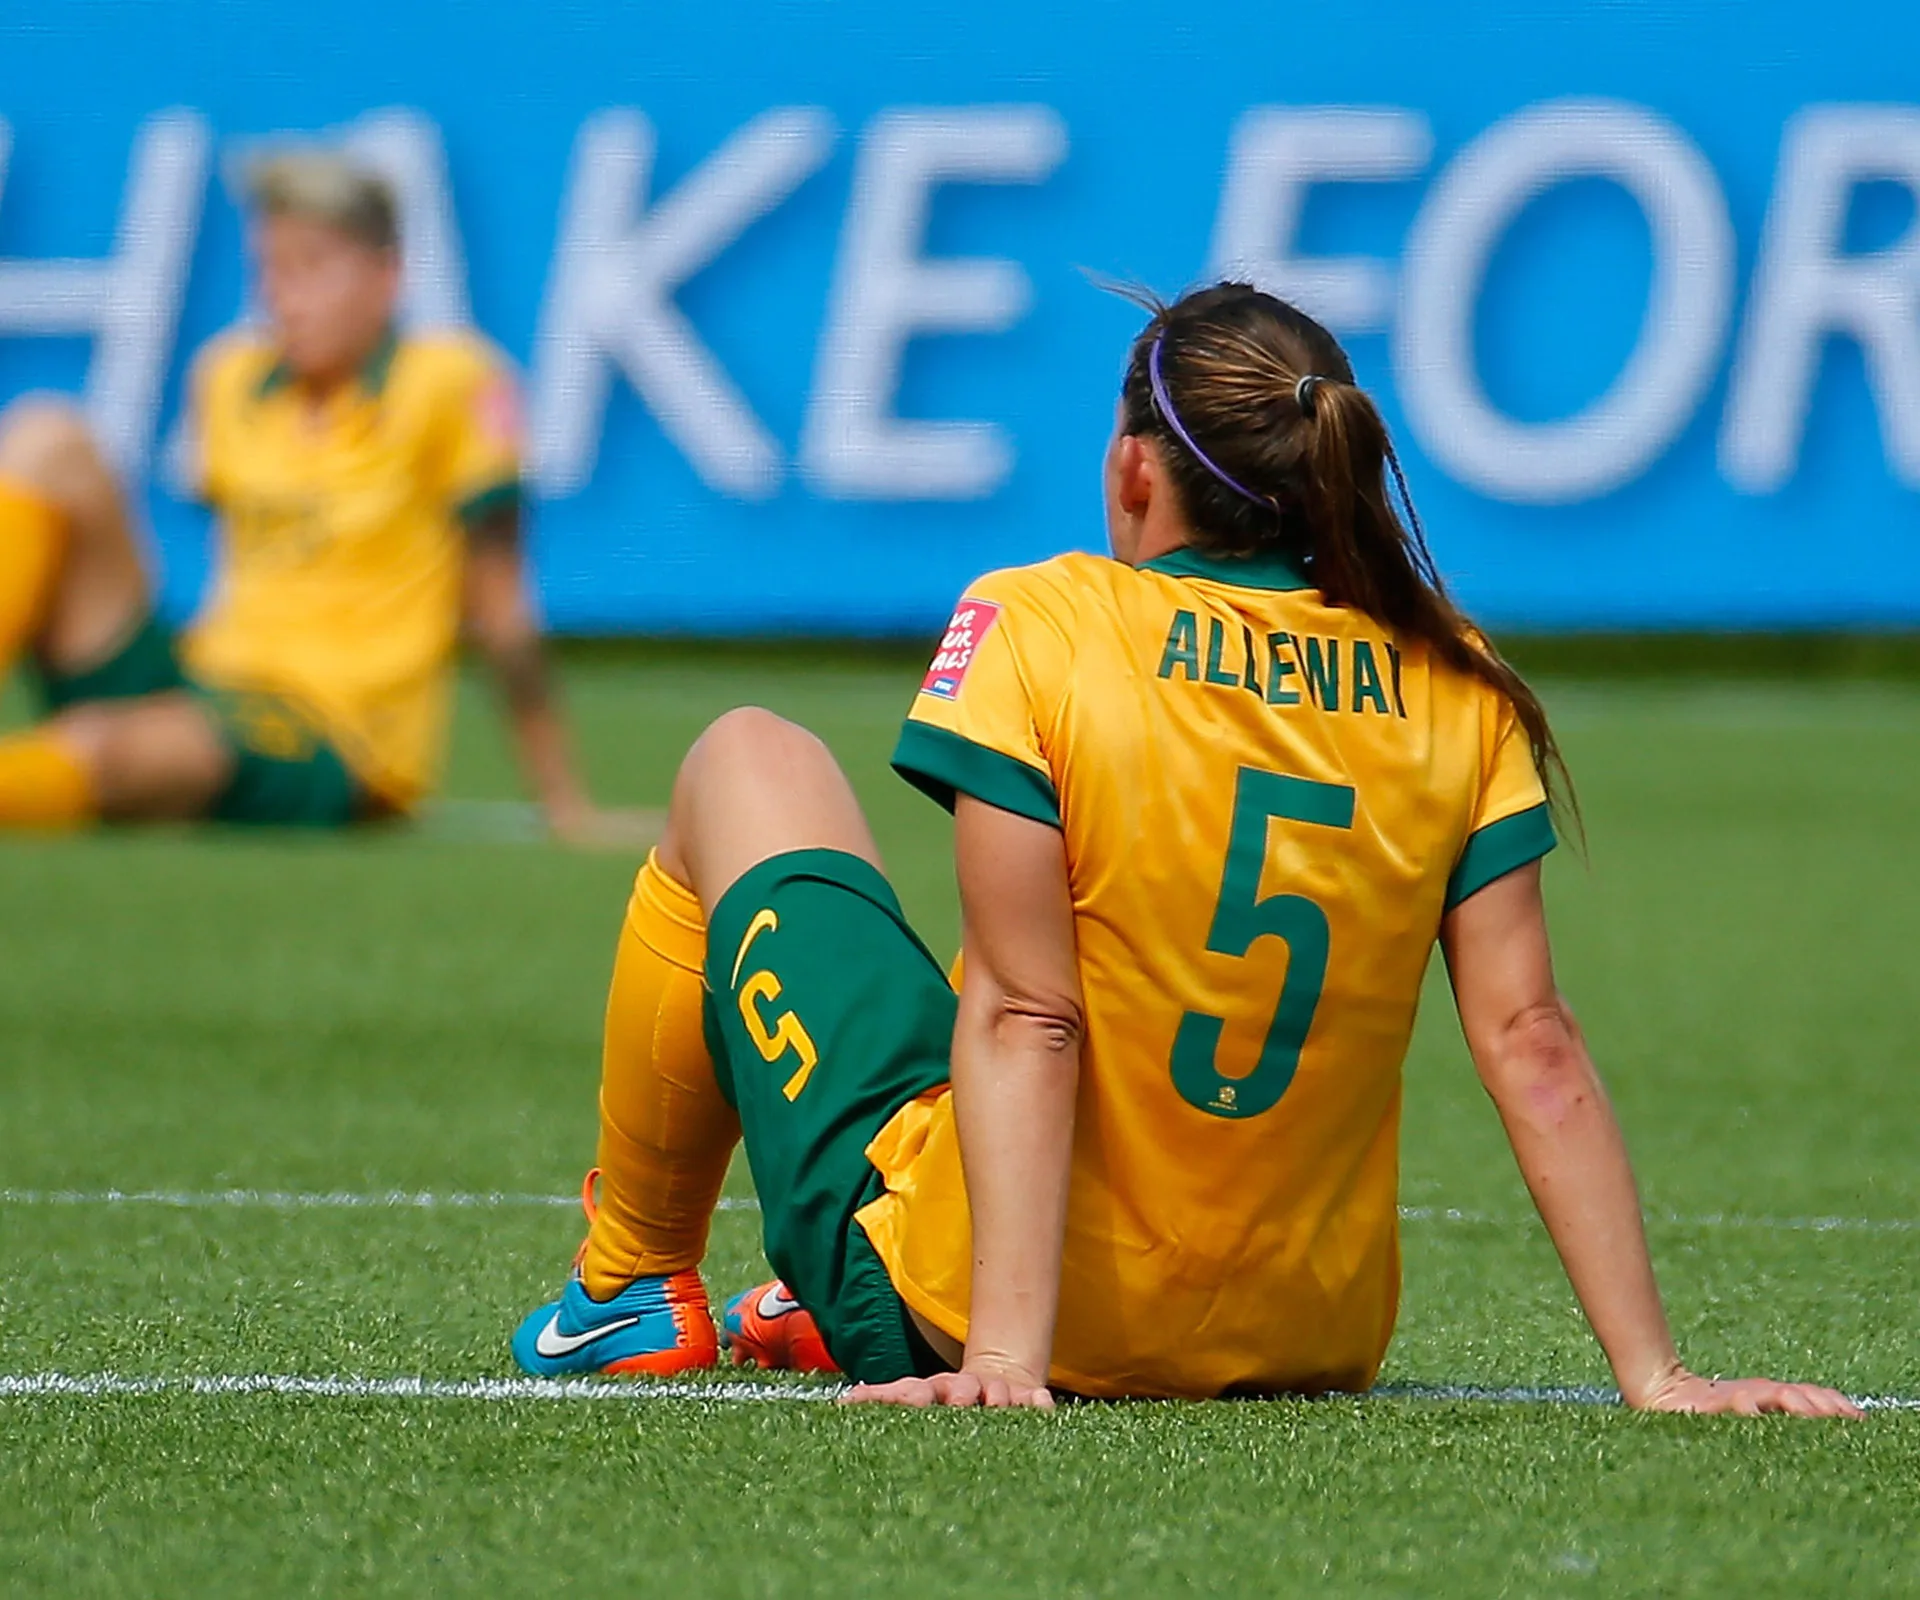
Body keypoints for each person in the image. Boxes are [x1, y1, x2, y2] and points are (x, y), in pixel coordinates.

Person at [509, 282, 1859, 1417]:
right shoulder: (1458, 677)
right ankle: (803, 1302)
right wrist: (1658, 1373)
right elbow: (1533, 1042)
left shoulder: (1043, 620)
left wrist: (998, 1361)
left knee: (748, 756)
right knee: (955, 1043)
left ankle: (631, 1284)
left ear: (1134, 466)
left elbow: (1031, 1013)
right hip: (1305, 1350)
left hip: (992, 1320)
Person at [0, 152, 628, 840]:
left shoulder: (453, 385)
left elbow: (501, 609)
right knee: (46, 435)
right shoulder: (231, 377)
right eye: (269, 269)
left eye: (312, 268)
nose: (284, 297)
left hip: (335, 733)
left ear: (387, 276)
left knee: (104, 747)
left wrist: (563, 800)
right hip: (206, 684)